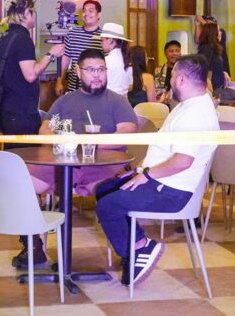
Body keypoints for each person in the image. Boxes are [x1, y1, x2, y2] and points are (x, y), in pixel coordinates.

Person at [94, 54, 220, 286]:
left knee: (108, 205)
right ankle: (135, 248)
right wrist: (140, 171)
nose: (170, 81)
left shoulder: (194, 114)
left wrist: (146, 175)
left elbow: (183, 161)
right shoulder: (193, 105)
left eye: (172, 76)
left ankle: (140, 248)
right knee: (105, 190)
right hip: (165, 181)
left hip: (173, 190)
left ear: (181, 79)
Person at [21, 48, 138, 269]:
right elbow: (45, 130)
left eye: (101, 69)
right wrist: (65, 141)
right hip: (63, 164)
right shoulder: (65, 102)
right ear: (78, 71)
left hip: (105, 166)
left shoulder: (116, 101)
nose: (97, 74)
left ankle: (128, 251)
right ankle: (33, 245)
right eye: (91, 70)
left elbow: (127, 130)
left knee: (115, 194)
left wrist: (89, 144)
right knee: (21, 182)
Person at [0, 0, 63, 137]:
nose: (35, 15)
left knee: (13, 150)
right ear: (26, 13)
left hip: (7, 108)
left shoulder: (4, 37)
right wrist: (51, 54)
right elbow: (30, 75)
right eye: (33, 11)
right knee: (27, 150)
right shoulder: (23, 39)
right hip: (21, 112)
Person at [59, 0, 102, 94]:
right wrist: (59, 81)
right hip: (73, 89)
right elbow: (65, 59)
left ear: (99, 15)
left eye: (90, 11)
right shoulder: (72, 34)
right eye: (84, 11)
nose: (86, 14)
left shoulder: (103, 37)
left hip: (95, 90)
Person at [99, 22, 133, 97]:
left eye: (102, 40)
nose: (101, 44)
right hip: (124, 101)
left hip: (108, 100)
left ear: (110, 40)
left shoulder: (106, 60)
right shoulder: (128, 59)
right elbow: (130, 84)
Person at [196, 21, 228, 98]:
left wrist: (222, 72)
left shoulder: (212, 48)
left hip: (217, 87)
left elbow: (212, 65)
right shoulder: (207, 49)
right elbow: (203, 69)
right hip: (214, 91)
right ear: (213, 34)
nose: (221, 33)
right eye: (218, 30)